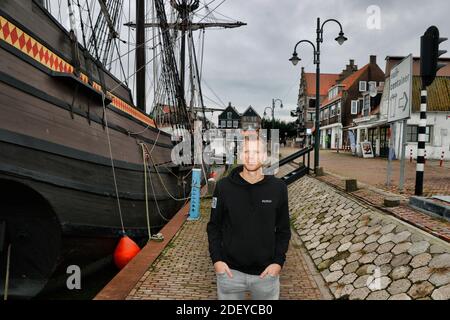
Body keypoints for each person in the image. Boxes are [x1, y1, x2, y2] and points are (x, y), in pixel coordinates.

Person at [207, 133, 291, 300]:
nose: (251, 157)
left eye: (256, 152)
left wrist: (278, 263)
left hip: (266, 275)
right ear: (239, 155)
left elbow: (283, 230)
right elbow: (214, 227)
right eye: (246, 151)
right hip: (230, 274)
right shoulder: (223, 187)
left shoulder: (278, 188)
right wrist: (217, 260)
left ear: (265, 156)